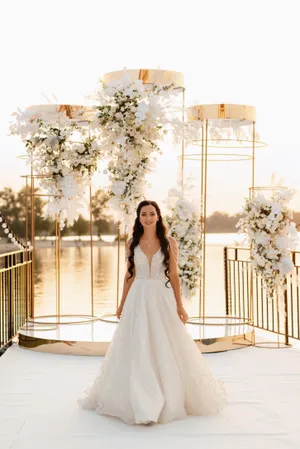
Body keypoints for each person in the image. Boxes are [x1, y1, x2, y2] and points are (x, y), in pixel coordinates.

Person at [79, 200, 226, 425]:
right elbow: (129, 276)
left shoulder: (169, 242)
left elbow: (174, 276)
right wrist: (121, 304)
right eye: (143, 214)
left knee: (166, 343)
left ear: (158, 216)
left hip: (161, 298)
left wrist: (180, 305)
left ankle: (168, 395)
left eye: (152, 213)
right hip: (137, 297)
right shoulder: (132, 243)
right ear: (138, 218)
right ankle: (138, 398)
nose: (148, 217)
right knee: (137, 344)